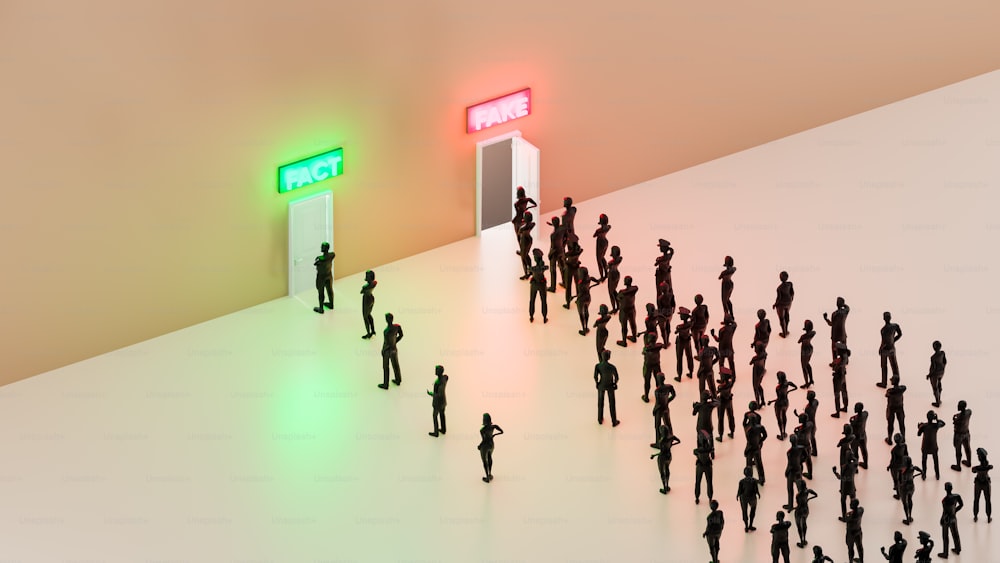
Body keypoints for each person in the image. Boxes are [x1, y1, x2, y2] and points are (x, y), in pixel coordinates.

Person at [650, 424, 681, 493]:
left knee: (662, 472)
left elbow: (661, 452)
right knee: (667, 469)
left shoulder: (661, 441)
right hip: (669, 456)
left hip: (662, 458)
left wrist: (654, 455)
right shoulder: (672, 437)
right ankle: (667, 486)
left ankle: (664, 487)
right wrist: (671, 445)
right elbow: (679, 441)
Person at [917, 410, 946, 480]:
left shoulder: (924, 426)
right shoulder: (936, 425)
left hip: (925, 446)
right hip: (933, 446)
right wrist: (937, 419)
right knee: (936, 461)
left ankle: (924, 474)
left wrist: (919, 427)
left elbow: (918, 434)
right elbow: (943, 423)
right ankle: (937, 474)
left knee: (924, 461)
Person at [594, 350, 620, 427]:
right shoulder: (612, 367)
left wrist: (597, 383)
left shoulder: (598, 366)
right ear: (609, 357)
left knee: (600, 403)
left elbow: (595, 376)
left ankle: (599, 419)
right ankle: (614, 421)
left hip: (601, 385)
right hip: (610, 386)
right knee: (612, 404)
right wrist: (615, 384)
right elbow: (617, 377)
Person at [877, 311, 903, 388]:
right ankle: (897, 379)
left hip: (885, 350)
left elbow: (883, 342)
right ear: (890, 317)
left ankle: (884, 382)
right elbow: (900, 334)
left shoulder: (883, 330)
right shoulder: (895, 326)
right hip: (892, 348)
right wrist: (893, 340)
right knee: (894, 365)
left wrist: (880, 348)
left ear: (883, 319)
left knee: (884, 366)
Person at [378, 312, 403, 390]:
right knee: (396, 365)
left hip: (387, 351)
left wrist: (383, 350)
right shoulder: (397, 327)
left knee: (386, 367)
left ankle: (386, 384)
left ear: (387, 320)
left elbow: (386, 343)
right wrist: (395, 342)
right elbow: (401, 335)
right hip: (394, 349)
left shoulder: (386, 331)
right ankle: (398, 380)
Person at [770, 371, 798, 440]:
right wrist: (787, 392)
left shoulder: (778, 387)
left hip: (779, 404)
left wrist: (771, 401)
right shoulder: (787, 383)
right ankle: (784, 431)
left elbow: (778, 398)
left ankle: (781, 434)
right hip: (786, 402)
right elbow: (796, 387)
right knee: (784, 415)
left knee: (779, 418)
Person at [573, 266, 601, 336]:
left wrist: (575, 297)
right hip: (588, 297)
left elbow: (580, 293)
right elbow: (597, 281)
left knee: (581, 314)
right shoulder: (589, 278)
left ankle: (583, 329)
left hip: (581, 299)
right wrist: (590, 287)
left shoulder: (580, 282)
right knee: (586, 311)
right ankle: (586, 327)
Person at [939, 481, 964, 557]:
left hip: (946, 519)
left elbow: (945, 512)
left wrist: (942, 519)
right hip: (953, 518)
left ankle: (945, 553)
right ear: (952, 488)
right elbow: (961, 505)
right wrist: (955, 510)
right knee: (955, 534)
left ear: (945, 489)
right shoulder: (957, 496)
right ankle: (958, 549)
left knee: (945, 536)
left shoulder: (944, 500)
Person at [792, 478, 818, 548]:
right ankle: (804, 539)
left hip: (799, 510)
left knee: (798, 525)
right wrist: (808, 499)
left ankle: (801, 541)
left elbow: (798, 503)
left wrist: (793, 508)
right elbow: (816, 495)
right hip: (806, 509)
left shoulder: (798, 495)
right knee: (804, 523)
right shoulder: (808, 491)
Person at [823, 296, 850, 363]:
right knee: (844, 346)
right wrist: (844, 304)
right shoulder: (845, 312)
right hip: (843, 332)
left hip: (835, 334)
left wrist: (826, 319)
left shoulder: (834, 314)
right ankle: (846, 359)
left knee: (834, 348)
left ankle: (835, 361)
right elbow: (848, 307)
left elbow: (831, 324)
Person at [478, 413, 504, 483]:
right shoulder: (494, 426)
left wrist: (479, 446)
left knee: (484, 461)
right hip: (491, 445)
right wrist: (494, 435)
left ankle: (487, 478)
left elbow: (484, 440)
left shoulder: (482, 430)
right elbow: (502, 432)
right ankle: (490, 474)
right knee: (490, 458)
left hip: (485, 446)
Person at [651, 375, 677, 446]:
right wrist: (667, 401)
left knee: (657, 426)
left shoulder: (657, 390)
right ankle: (670, 438)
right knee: (668, 424)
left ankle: (658, 442)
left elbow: (658, 403)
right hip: (665, 408)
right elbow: (674, 395)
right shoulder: (669, 387)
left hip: (659, 410)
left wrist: (654, 410)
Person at [640, 330, 665, 403]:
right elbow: (661, 344)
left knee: (647, 381)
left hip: (648, 365)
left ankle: (646, 396)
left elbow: (643, 352)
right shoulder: (658, 346)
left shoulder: (647, 348)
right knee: (658, 381)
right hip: (656, 364)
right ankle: (660, 397)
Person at [833, 454, 859, 521]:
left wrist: (835, 472)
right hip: (852, 486)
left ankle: (844, 517)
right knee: (853, 500)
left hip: (845, 487)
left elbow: (841, 478)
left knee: (843, 501)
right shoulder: (854, 465)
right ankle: (854, 514)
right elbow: (856, 460)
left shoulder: (844, 467)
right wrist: (852, 457)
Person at [898, 455, 922, 525]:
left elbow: (901, 481)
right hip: (911, 486)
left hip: (904, 488)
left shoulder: (903, 470)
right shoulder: (912, 468)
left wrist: (899, 485)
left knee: (905, 503)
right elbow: (921, 471)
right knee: (910, 500)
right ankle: (910, 516)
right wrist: (913, 476)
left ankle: (907, 518)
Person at [615, 276, 639, 347]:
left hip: (624, 310)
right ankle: (634, 337)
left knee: (624, 326)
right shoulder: (634, 289)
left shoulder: (622, 292)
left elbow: (618, 297)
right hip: (631, 309)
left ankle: (624, 341)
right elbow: (636, 288)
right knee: (633, 323)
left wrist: (624, 293)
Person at [711, 314, 737, 378]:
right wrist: (730, 321)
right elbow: (735, 323)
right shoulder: (732, 328)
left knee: (721, 364)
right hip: (729, 348)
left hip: (722, 349)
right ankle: (733, 376)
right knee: (731, 363)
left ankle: (722, 378)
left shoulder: (721, 330)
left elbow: (718, 340)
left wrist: (713, 335)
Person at [736, 466, 761, 532]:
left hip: (744, 498)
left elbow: (739, 491)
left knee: (744, 511)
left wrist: (738, 495)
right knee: (752, 511)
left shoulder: (741, 481)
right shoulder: (754, 481)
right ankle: (750, 525)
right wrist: (758, 494)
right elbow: (756, 489)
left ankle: (747, 526)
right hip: (752, 497)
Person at [745, 415, 768, 485]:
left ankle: (749, 479)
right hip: (757, 447)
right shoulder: (760, 427)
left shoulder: (749, 429)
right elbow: (765, 435)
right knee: (759, 463)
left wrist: (746, 450)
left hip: (751, 448)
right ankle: (762, 479)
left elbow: (749, 440)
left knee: (749, 464)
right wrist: (760, 441)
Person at [693, 429, 715, 504]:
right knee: (709, 482)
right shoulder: (709, 449)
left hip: (700, 466)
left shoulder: (697, 450)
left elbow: (695, 451)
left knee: (698, 482)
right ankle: (710, 498)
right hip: (708, 466)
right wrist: (707, 436)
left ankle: (697, 497)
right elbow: (711, 442)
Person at [312, 241, 335, 314]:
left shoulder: (320, 259)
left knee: (321, 292)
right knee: (330, 290)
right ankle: (331, 304)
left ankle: (321, 308)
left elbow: (315, 263)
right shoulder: (332, 255)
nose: (321, 248)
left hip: (321, 277)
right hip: (329, 275)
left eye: (322, 247)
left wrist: (318, 259)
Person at [561, 238, 584, 309]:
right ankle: (578, 299)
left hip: (569, 269)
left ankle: (568, 303)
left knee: (568, 287)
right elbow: (581, 250)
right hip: (576, 268)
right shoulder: (579, 251)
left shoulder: (569, 253)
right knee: (577, 284)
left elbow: (563, 258)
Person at [546, 216, 566, 292]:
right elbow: (566, 237)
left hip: (555, 253)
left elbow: (553, 247)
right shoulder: (562, 228)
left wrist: (549, 254)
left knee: (553, 270)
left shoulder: (553, 235)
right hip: (561, 250)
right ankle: (565, 283)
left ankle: (553, 287)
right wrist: (563, 246)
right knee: (562, 267)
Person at [972, 447, 993, 522]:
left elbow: (973, 470)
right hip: (986, 483)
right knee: (987, 500)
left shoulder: (977, 468)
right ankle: (988, 517)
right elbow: (990, 467)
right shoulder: (988, 467)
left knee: (976, 500)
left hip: (978, 483)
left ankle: (975, 516)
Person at [527, 248, 548, 323]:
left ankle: (531, 316)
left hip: (534, 284)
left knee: (532, 300)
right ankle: (544, 317)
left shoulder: (533, 268)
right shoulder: (543, 268)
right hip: (542, 285)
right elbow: (546, 267)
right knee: (544, 301)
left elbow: (528, 270)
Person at [830, 342, 851, 418]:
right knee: (844, 391)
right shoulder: (845, 356)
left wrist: (834, 364)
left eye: (836, 349)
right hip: (843, 377)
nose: (835, 350)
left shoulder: (839, 360)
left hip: (838, 377)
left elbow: (834, 366)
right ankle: (845, 406)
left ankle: (837, 412)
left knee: (837, 394)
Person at [427, 365, 448, 437]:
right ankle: (443, 429)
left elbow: (439, 394)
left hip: (438, 403)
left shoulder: (440, 383)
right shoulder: (444, 378)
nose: (435, 371)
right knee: (442, 415)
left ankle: (436, 432)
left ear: (439, 372)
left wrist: (431, 394)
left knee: (435, 416)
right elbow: (447, 377)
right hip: (443, 402)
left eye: (436, 370)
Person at [885, 375, 907, 444]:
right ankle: (903, 437)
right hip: (900, 407)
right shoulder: (902, 389)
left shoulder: (890, 391)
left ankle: (889, 439)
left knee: (890, 424)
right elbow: (904, 387)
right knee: (901, 423)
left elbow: (886, 395)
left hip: (891, 408)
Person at [674, 306, 694, 381]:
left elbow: (677, 331)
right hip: (687, 340)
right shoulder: (690, 323)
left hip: (681, 342)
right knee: (689, 356)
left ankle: (679, 375)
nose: (680, 316)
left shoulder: (679, 327)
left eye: (681, 315)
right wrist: (689, 316)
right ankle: (691, 372)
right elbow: (693, 319)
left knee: (679, 358)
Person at [951, 400, 972, 471]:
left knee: (958, 450)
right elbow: (967, 412)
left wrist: (954, 418)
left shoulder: (959, 418)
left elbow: (955, 422)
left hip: (959, 435)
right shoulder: (969, 412)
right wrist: (958, 415)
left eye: (959, 405)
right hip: (966, 433)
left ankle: (958, 466)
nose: (958, 406)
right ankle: (969, 462)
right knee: (967, 448)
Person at [715, 367, 736, 442]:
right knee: (730, 416)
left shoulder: (721, 386)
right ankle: (732, 431)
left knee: (721, 419)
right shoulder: (730, 383)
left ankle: (720, 435)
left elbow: (716, 392)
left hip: (722, 402)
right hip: (729, 401)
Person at [887, 433, 908, 500]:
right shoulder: (904, 445)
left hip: (896, 467)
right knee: (901, 479)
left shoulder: (894, 450)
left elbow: (893, 460)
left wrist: (889, 466)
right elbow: (906, 455)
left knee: (896, 480)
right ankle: (903, 492)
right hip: (903, 465)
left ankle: (898, 494)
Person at [773, 271, 794, 337]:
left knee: (782, 318)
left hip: (781, 305)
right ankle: (786, 330)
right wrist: (791, 299)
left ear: (780, 278)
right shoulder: (790, 284)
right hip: (788, 303)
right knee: (787, 316)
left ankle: (784, 333)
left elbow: (779, 298)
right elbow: (792, 292)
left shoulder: (779, 288)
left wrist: (775, 304)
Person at [926, 340, 947, 407]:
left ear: (934, 348)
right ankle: (939, 398)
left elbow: (933, 368)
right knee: (939, 384)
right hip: (941, 372)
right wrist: (942, 368)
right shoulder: (942, 353)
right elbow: (945, 361)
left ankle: (937, 401)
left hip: (935, 374)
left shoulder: (933, 357)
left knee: (935, 388)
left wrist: (929, 375)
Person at [844, 498, 865, 563]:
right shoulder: (861, 510)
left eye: (851, 504)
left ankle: (850, 561)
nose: (849, 504)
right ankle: (861, 561)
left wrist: (848, 514)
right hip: (858, 531)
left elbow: (846, 518)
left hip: (851, 534)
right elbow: (861, 508)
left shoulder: (850, 516)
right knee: (860, 547)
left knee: (850, 548)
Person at [703, 499, 724, 563]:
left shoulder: (709, 517)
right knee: (717, 545)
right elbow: (722, 522)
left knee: (712, 547)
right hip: (718, 532)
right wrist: (721, 529)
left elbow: (709, 527)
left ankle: (714, 560)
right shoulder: (720, 512)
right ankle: (716, 559)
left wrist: (705, 533)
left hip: (711, 534)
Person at [850, 402, 870, 469]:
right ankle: (865, 464)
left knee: (855, 452)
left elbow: (852, 426)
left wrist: (852, 419)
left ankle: (855, 468)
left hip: (856, 438)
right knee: (864, 450)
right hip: (863, 435)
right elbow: (866, 412)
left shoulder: (854, 420)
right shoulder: (865, 415)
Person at [516, 211, 535, 279]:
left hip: (524, 241)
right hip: (529, 239)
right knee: (526, 254)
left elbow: (518, 233)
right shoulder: (533, 224)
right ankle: (530, 270)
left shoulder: (522, 227)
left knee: (523, 258)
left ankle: (526, 274)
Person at [749, 340, 768, 407]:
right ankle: (762, 400)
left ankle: (758, 402)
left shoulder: (755, 358)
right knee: (759, 385)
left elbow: (750, 363)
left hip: (756, 372)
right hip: (762, 371)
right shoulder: (765, 354)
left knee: (755, 387)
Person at [592, 214, 611, 280]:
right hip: (605, 242)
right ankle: (606, 273)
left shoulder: (598, 230)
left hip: (600, 243)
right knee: (602, 257)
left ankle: (602, 276)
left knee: (599, 260)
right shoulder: (608, 227)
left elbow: (594, 236)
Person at [798, 319, 816, 387]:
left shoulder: (803, 336)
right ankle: (811, 379)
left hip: (804, 351)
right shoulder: (813, 333)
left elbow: (799, 341)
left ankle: (806, 383)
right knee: (807, 364)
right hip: (810, 348)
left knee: (804, 366)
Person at [360, 270, 377, 339]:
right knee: (369, 315)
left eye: (367, 276)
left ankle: (368, 333)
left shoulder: (365, 287)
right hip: (371, 298)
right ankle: (372, 330)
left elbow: (361, 292)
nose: (366, 277)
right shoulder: (375, 283)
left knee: (365, 317)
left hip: (366, 300)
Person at [606, 245, 622, 310]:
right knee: (614, 291)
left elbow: (607, 267)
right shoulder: (619, 259)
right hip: (617, 274)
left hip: (612, 276)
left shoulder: (611, 263)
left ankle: (614, 308)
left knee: (611, 292)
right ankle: (618, 305)